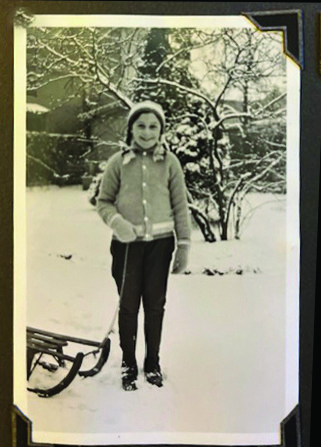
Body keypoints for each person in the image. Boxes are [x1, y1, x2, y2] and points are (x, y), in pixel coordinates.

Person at [97, 100, 191, 391]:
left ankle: (152, 363)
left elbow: (180, 207)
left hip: (160, 247)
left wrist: (184, 245)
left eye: (153, 126)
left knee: (154, 306)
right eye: (141, 125)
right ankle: (128, 363)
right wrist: (118, 224)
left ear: (161, 130)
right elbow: (103, 202)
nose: (147, 132)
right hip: (126, 247)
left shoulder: (170, 163)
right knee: (128, 307)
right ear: (131, 129)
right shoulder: (118, 162)